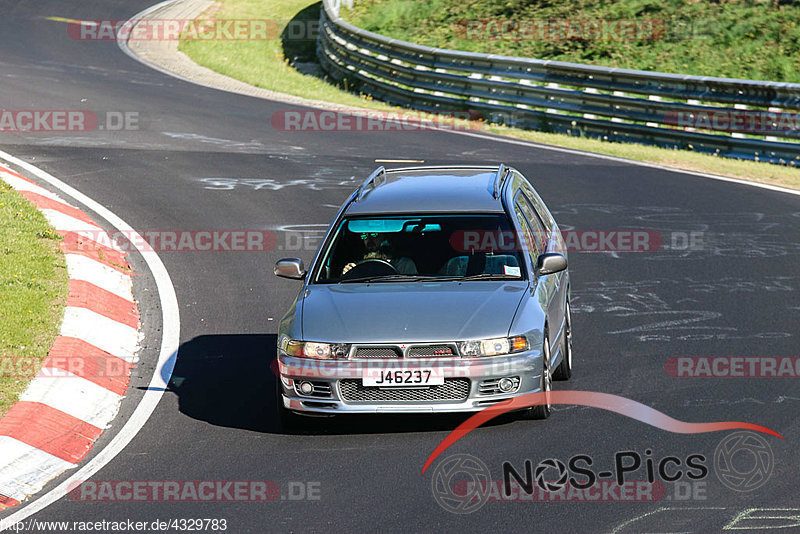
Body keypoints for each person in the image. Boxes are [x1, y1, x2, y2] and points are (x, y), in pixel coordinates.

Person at [342, 232, 417, 275]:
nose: (369, 239)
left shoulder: (404, 265)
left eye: (374, 235)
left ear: (385, 238)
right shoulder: (357, 266)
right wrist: (348, 273)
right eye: (364, 236)